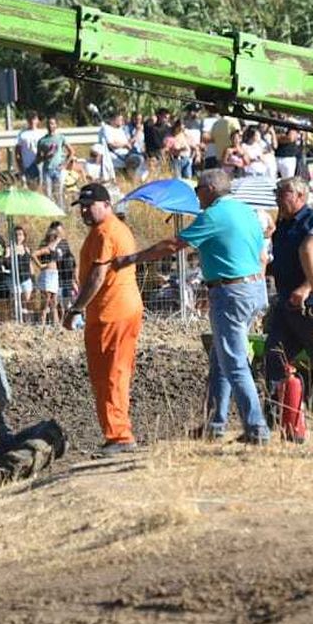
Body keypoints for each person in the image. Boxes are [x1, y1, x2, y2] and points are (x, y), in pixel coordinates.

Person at [120, 168, 271, 444]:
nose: (195, 195)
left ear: (210, 189)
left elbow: (173, 245)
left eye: (197, 189)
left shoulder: (213, 215)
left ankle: (257, 428)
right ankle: (216, 423)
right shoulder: (246, 211)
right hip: (253, 289)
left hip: (231, 292)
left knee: (235, 362)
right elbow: (259, 251)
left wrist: (132, 259)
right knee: (221, 357)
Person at [64, 185, 143, 453]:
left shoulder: (106, 232)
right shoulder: (105, 230)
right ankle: (116, 433)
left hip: (114, 313)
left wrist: (75, 308)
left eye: (90, 204)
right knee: (108, 374)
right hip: (109, 312)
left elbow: (98, 276)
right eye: (82, 206)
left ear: (106, 204)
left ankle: (120, 437)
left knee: (112, 375)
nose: (85, 210)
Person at [264, 176, 313, 438]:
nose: (279, 196)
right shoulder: (281, 224)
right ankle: (276, 421)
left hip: (311, 307)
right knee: (274, 357)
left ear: (301, 196)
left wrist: (307, 288)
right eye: (277, 192)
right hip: (284, 306)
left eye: (285, 192)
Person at [33, 223, 66, 326]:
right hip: (47, 275)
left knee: (54, 302)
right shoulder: (46, 248)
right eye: (54, 236)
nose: (55, 238)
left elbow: (61, 238)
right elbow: (33, 254)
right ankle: (41, 323)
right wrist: (41, 266)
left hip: (54, 275)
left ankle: (55, 324)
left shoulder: (56, 245)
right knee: (46, 301)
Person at [98, 112, 144, 177]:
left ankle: (136, 179)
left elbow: (128, 143)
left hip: (127, 153)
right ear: (113, 120)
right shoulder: (106, 128)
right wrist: (124, 145)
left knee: (145, 157)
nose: (122, 121)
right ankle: (133, 178)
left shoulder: (120, 130)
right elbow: (111, 144)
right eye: (120, 120)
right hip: (118, 155)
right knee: (138, 159)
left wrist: (138, 132)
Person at [14, 113, 46, 182]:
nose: (32, 121)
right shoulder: (22, 134)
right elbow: (17, 152)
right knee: (31, 186)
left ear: (37, 120)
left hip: (40, 164)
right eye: (30, 119)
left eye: (34, 119)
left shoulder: (42, 134)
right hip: (27, 165)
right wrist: (20, 167)